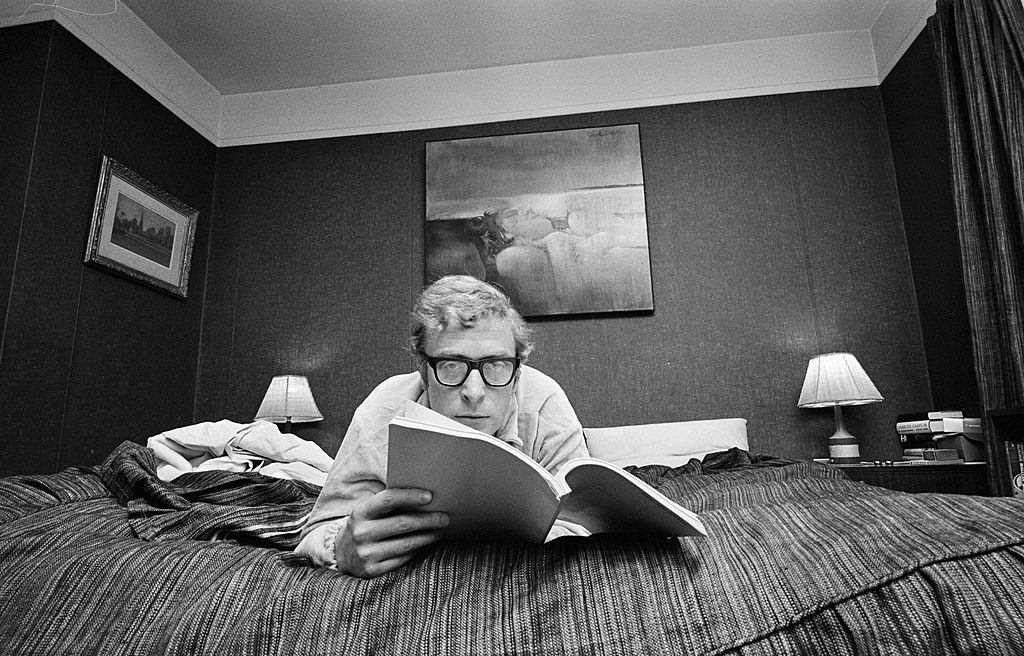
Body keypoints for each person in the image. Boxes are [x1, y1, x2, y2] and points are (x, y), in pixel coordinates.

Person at [295, 275, 589, 577]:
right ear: (423, 370)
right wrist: (341, 548)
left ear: (517, 374)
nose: (474, 392)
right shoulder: (384, 407)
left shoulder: (544, 403)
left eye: (497, 365)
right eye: (451, 364)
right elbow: (316, 533)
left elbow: (583, 524)